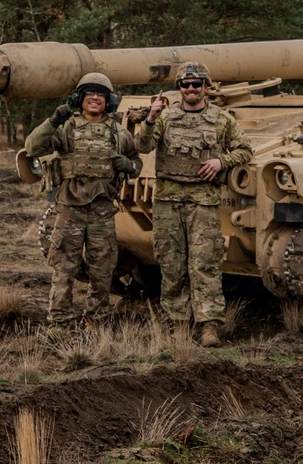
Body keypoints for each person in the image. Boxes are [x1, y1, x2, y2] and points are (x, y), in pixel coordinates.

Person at [134, 62, 252, 347]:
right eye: (185, 85)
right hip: (168, 203)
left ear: (206, 87)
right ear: (179, 89)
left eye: (196, 84)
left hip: (203, 203)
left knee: (205, 266)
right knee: (172, 265)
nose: (190, 89)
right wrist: (150, 118)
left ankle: (209, 326)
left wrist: (220, 161)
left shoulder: (221, 119)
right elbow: (142, 146)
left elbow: (245, 149)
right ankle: (178, 324)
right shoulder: (165, 117)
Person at [25, 73, 142, 325]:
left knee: (102, 269)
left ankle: (96, 319)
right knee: (64, 268)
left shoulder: (119, 133)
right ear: (79, 98)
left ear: (109, 100)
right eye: (89, 93)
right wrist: (54, 119)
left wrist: (128, 165)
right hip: (70, 209)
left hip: (102, 210)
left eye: (101, 94)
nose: (95, 98)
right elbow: (33, 146)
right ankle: (60, 320)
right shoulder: (66, 128)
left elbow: (137, 161)